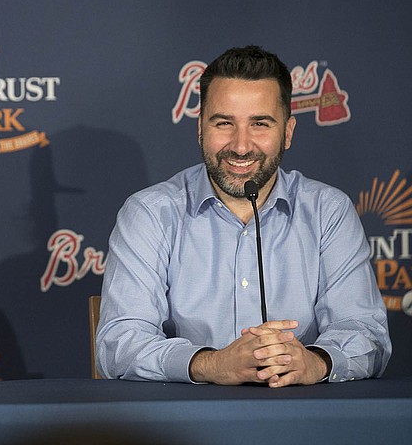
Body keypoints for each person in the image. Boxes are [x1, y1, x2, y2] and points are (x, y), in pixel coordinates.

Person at [96, 45, 391, 387]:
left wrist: (316, 362)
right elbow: (118, 343)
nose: (240, 145)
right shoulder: (150, 213)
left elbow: (365, 333)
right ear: (200, 129)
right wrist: (212, 364)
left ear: (288, 132)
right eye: (224, 123)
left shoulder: (328, 212)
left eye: (260, 124)